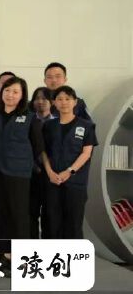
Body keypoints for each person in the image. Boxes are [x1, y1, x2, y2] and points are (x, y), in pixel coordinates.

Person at [0, 77, 44, 269]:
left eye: (15, 92)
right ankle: (3, 254)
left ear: (22, 95)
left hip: (19, 173)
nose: (10, 95)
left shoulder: (30, 117)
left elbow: (38, 146)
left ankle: (21, 257)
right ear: (2, 93)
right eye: (7, 91)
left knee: (18, 214)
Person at [41, 86, 97, 239]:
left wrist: (69, 171)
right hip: (52, 181)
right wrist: (50, 172)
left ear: (75, 102)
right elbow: (43, 152)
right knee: (52, 224)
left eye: (67, 99)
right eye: (59, 99)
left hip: (75, 183)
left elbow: (86, 153)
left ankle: (73, 255)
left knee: (73, 224)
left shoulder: (87, 126)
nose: (64, 102)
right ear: (54, 103)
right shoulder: (48, 126)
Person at [29, 87, 55, 239]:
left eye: (44, 98)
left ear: (52, 102)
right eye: (37, 98)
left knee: (50, 213)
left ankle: (47, 246)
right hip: (31, 173)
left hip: (52, 174)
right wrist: (34, 166)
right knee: (30, 213)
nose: (40, 101)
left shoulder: (57, 123)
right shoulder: (28, 121)